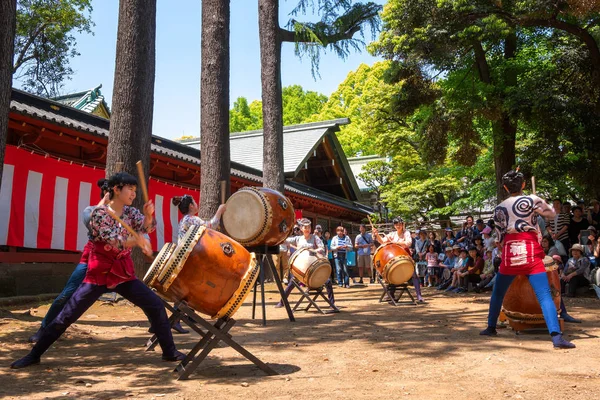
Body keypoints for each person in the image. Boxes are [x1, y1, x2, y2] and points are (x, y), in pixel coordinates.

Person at [11, 172, 186, 369]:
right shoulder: (98, 214)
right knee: (67, 315)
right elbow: (113, 241)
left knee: (155, 304)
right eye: (130, 189)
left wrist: (147, 216)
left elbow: (148, 228)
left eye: (135, 190)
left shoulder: (131, 213)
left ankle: (169, 352)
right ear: (116, 189)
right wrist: (136, 240)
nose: (133, 194)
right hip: (99, 272)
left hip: (122, 273)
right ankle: (34, 355)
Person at [479, 169, 575, 349]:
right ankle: (556, 337)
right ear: (523, 184)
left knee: (498, 292)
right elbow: (552, 214)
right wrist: (539, 202)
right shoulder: (532, 200)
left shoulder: (499, 208)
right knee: (544, 295)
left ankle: (491, 327)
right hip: (530, 248)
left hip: (510, 252)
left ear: (506, 187)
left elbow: (499, 237)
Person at [27, 180, 110, 343]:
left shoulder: (122, 215)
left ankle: (160, 326)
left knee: (139, 294)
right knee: (66, 295)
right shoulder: (90, 210)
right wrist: (104, 203)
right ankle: (44, 329)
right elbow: (92, 224)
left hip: (114, 262)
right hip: (91, 258)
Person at [276, 218, 335, 307]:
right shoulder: (298, 239)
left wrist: (314, 250)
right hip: (301, 268)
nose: (307, 229)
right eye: (305, 227)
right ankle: (282, 302)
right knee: (291, 283)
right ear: (301, 228)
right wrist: (280, 233)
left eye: (309, 227)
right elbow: (284, 241)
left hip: (314, 266)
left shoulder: (315, 238)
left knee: (327, 281)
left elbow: (322, 248)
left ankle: (332, 303)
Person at [372, 216, 424, 302]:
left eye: (399, 224)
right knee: (391, 272)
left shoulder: (406, 233)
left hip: (405, 256)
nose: (398, 226)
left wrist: (395, 243)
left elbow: (408, 243)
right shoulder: (392, 234)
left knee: (414, 275)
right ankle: (391, 294)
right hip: (394, 258)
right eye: (396, 224)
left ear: (402, 224)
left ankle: (419, 295)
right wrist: (377, 235)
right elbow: (382, 241)